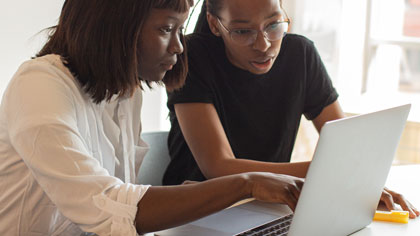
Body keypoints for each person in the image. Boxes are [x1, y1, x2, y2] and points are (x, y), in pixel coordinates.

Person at [0, 0, 307, 235]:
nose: (178, 46)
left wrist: (197, 197)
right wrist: (245, 184)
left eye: (180, 29)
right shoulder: (39, 86)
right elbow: (108, 208)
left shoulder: (124, 92)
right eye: (165, 29)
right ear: (116, 25)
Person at [163, 0, 420, 219]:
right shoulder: (190, 56)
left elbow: (345, 147)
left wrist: (358, 182)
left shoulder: (301, 54)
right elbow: (219, 167)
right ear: (213, 23)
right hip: (198, 212)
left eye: (274, 25)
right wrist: (336, 174)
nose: (263, 45)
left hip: (268, 207)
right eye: (243, 32)